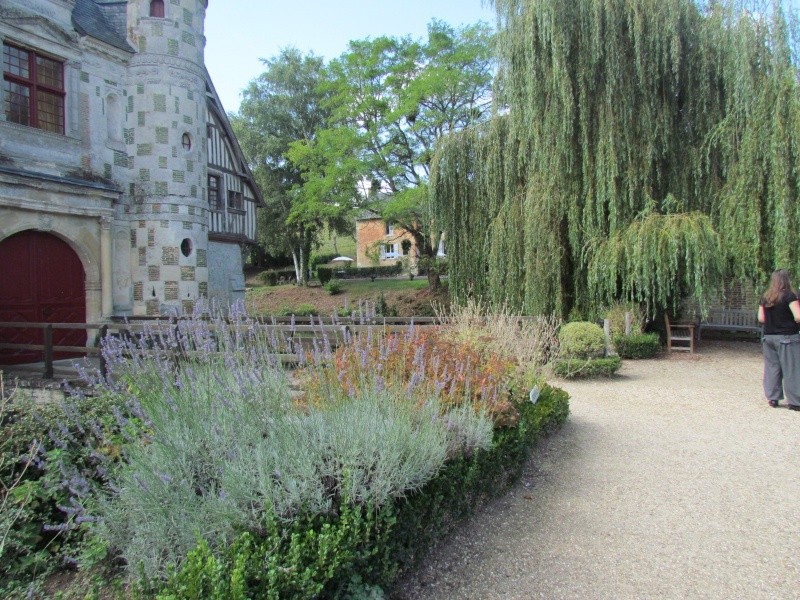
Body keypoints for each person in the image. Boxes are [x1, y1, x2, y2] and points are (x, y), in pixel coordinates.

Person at [758, 269, 800, 411]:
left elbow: (761, 318)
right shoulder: (789, 296)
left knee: (772, 368)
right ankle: (795, 401)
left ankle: (773, 398)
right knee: (791, 369)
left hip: (769, 337)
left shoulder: (766, 297)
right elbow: (798, 316)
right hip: (787, 337)